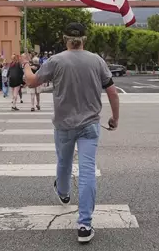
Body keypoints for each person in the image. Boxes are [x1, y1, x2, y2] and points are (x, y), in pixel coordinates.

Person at [21, 22, 120, 244]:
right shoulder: (97, 60)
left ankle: (64, 192)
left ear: (64, 38)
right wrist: (115, 118)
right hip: (90, 125)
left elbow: (31, 81)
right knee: (87, 172)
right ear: (85, 39)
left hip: (64, 125)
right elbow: (112, 92)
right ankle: (85, 225)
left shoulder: (56, 60)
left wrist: (26, 64)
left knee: (64, 163)